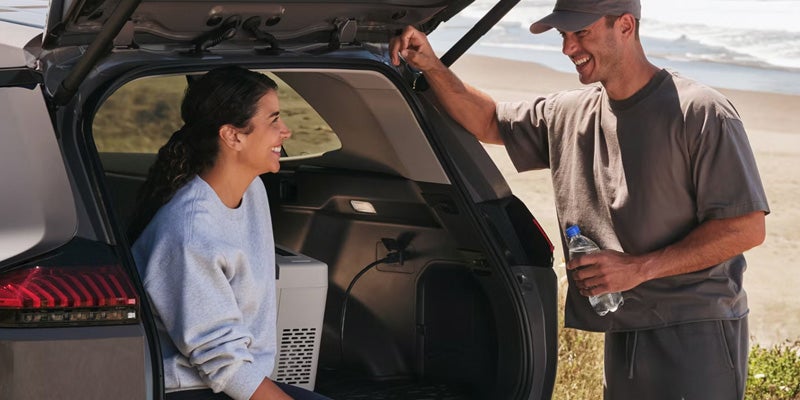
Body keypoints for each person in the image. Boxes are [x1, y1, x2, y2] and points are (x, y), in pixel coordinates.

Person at [389, 0, 769, 399]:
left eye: (581, 33)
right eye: (564, 35)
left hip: (694, 333)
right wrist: (431, 66)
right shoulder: (569, 113)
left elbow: (745, 228)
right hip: (622, 328)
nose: (568, 48)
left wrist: (639, 268)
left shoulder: (701, 112)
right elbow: (488, 121)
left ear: (625, 26)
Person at [129, 66, 331, 400]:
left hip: (236, 381)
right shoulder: (190, 232)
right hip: (190, 390)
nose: (286, 131)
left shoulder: (252, 191)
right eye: (273, 120)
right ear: (233, 136)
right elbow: (221, 361)